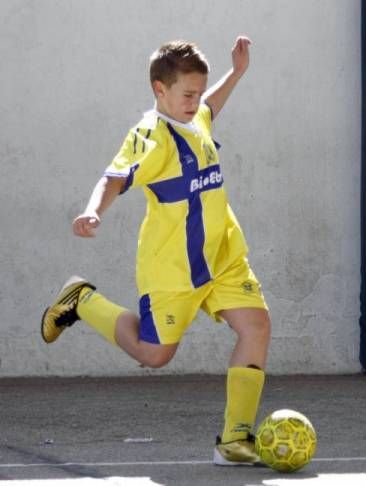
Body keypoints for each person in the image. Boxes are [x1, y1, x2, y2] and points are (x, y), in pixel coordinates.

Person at [41, 36, 271, 465]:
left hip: (222, 256)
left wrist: (236, 73)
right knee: (155, 354)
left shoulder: (195, 116)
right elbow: (113, 178)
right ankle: (81, 299)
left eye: (198, 92)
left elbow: (210, 109)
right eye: (187, 94)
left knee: (256, 326)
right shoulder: (149, 136)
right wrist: (93, 212)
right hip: (173, 268)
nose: (196, 101)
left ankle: (235, 439)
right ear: (159, 90)